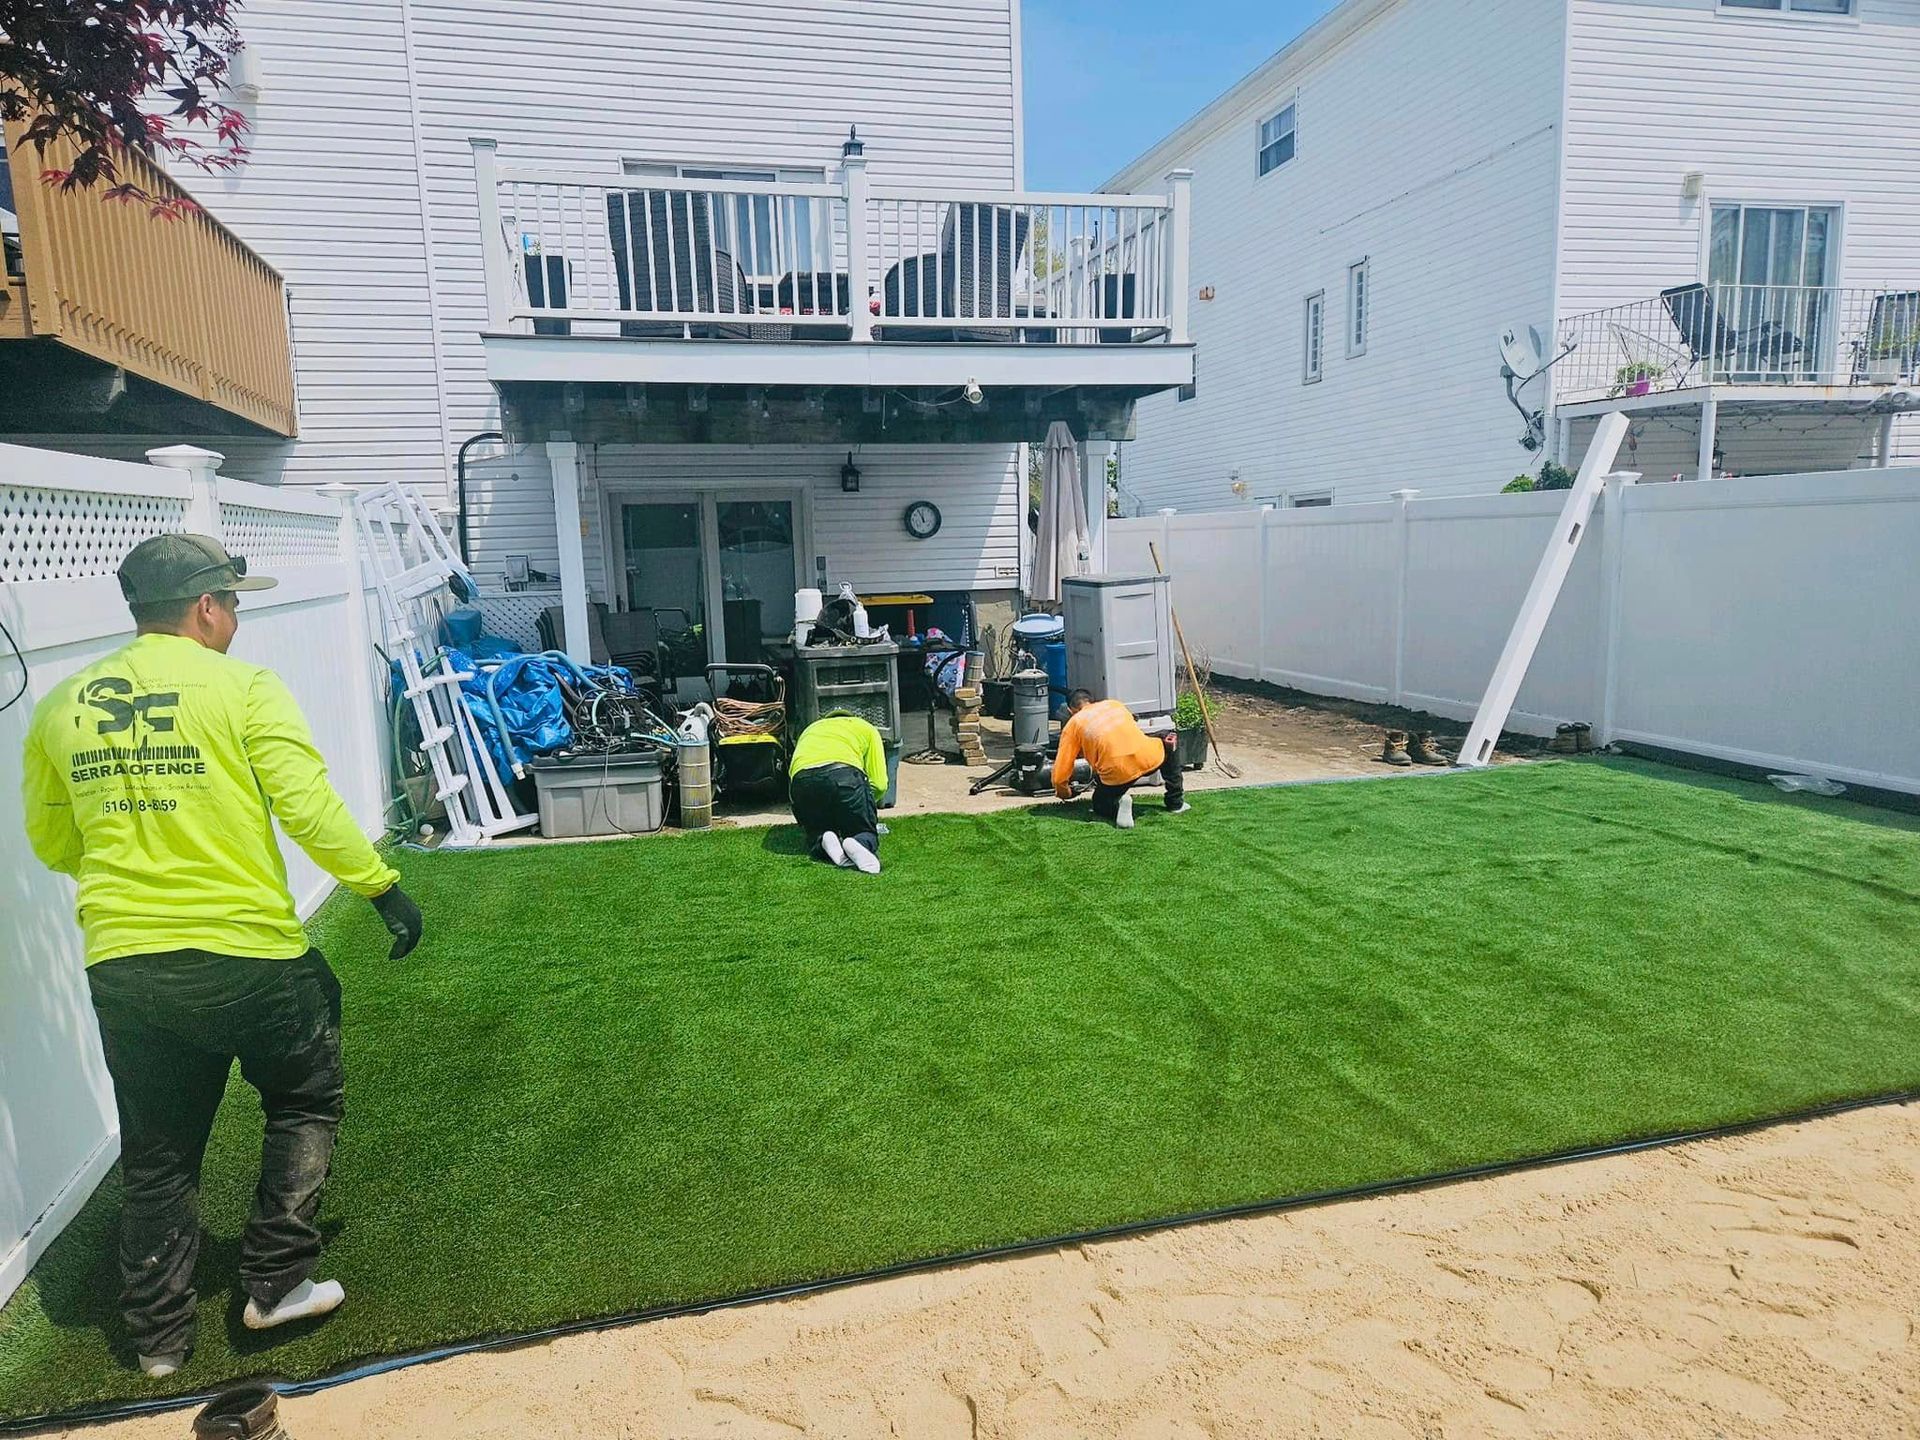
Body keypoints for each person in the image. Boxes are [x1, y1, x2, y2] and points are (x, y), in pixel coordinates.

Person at [21, 534, 424, 1379]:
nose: (237, 617)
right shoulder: (243, 688)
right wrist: (381, 887)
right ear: (206, 607)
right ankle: (276, 1283)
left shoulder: (60, 707)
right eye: (233, 602)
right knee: (304, 1097)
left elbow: (53, 838)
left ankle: (159, 1342)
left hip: (125, 964)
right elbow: (307, 806)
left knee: (158, 1151)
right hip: (251, 956)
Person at [1052, 688, 1190, 828]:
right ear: (1093, 701)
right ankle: (1176, 803)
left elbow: (1060, 772)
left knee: (1099, 805)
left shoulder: (1073, 724)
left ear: (1070, 711)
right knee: (1168, 740)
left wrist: (1065, 792)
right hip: (1148, 757)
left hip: (1116, 774)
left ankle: (1118, 804)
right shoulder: (1114, 704)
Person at [788, 711, 888, 874]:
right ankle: (860, 842)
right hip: (844, 776)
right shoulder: (866, 728)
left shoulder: (810, 729)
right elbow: (880, 784)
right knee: (863, 830)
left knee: (816, 832)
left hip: (802, 783)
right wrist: (865, 806)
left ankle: (823, 840)